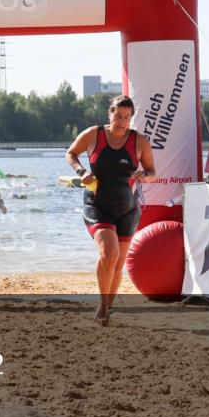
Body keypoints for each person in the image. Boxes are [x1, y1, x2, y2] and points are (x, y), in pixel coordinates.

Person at [65, 95, 156, 326]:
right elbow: (71, 153)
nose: (121, 122)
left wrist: (146, 176)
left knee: (117, 264)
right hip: (97, 205)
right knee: (109, 253)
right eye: (118, 116)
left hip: (127, 209)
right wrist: (81, 171)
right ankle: (103, 303)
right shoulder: (93, 134)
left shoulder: (139, 141)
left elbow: (152, 171)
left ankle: (108, 306)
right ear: (110, 113)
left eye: (126, 118)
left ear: (131, 119)